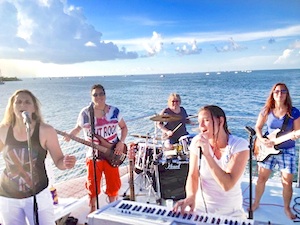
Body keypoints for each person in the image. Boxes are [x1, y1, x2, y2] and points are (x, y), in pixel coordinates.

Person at [0, 89, 76, 225]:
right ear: (12, 107)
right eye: (18, 102)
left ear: (34, 108)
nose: (22, 105)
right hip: (8, 197)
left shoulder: (46, 131)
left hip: (38, 196)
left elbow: (59, 161)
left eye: (27, 102)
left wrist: (66, 162)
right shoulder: (3, 130)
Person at [173, 105, 249, 217]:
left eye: (206, 120)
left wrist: (207, 154)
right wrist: (191, 196)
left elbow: (227, 185)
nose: (201, 126)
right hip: (200, 210)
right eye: (199, 122)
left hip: (231, 213)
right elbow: (193, 175)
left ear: (220, 121)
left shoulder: (239, 145)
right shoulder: (196, 142)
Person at [65, 84, 128, 213]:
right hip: (93, 156)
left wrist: (121, 142)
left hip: (112, 154)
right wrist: (70, 135)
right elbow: (78, 128)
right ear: (91, 97)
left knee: (113, 185)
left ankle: (113, 211)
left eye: (101, 94)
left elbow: (124, 128)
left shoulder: (114, 111)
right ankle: (92, 211)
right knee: (92, 187)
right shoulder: (86, 113)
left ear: (105, 95)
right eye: (95, 94)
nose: (99, 97)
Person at [251, 83, 300, 220]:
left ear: (287, 94)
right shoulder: (267, 110)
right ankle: (256, 203)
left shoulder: (294, 112)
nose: (280, 93)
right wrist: (261, 139)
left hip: (287, 150)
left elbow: (297, 131)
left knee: (287, 182)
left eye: (283, 91)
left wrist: (296, 134)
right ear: (273, 94)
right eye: (277, 91)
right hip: (267, 149)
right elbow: (258, 127)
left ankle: (286, 208)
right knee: (261, 178)